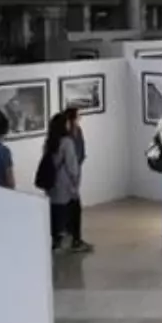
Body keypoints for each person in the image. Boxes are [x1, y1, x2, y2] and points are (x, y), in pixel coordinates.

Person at [44, 112, 89, 252]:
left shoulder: (50, 142)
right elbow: (72, 167)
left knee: (56, 214)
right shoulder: (67, 143)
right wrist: (76, 182)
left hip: (52, 185)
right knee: (74, 212)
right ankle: (75, 242)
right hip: (67, 185)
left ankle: (56, 242)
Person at [64, 108, 92, 252]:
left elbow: (80, 151)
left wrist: (78, 165)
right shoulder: (66, 136)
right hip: (68, 175)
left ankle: (72, 237)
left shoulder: (77, 131)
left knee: (72, 204)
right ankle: (73, 238)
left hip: (75, 171)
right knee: (73, 205)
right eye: (79, 115)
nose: (81, 117)